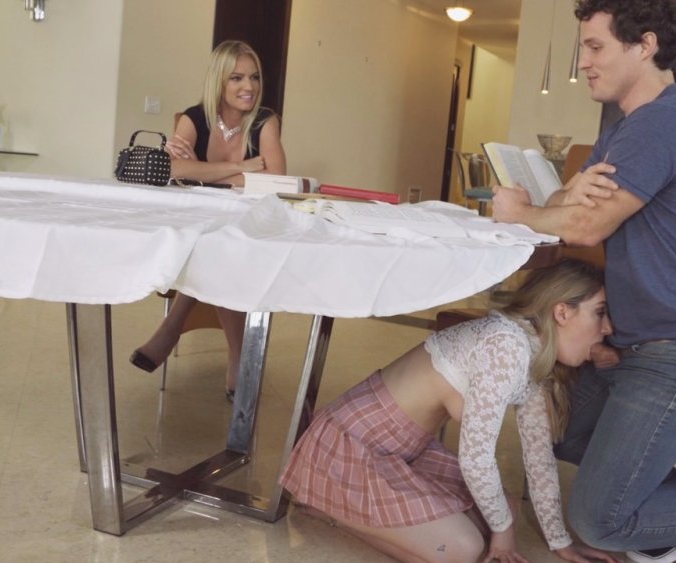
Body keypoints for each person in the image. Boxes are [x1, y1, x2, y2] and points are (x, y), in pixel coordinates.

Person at [491, 1, 676, 562]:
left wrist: (519, 213)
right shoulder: (630, 128)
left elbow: (581, 223)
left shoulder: (664, 122)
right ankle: (658, 517)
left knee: (599, 520)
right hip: (636, 344)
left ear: (643, 46)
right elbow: (565, 201)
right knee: (564, 433)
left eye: (596, 47)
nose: (585, 64)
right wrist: (556, 205)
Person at [280, 259, 618, 563]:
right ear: (562, 312)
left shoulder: (533, 352)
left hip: (403, 455)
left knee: (504, 509)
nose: (607, 329)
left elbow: (538, 458)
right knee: (463, 548)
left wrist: (560, 543)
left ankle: (348, 505)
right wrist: (504, 535)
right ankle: (326, 503)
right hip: (349, 447)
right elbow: (476, 458)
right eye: (600, 313)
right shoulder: (506, 346)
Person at [129, 40, 286, 400]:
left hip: (248, 223)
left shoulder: (265, 121)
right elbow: (170, 168)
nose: (249, 87)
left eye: (254, 77)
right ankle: (239, 356)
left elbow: (275, 180)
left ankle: (170, 330)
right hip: (201, 221)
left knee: (221, 248)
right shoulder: (195, 117)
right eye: (237, 78)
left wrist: (202, 172)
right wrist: (238, 168)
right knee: (214, 246)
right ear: (219, 81)